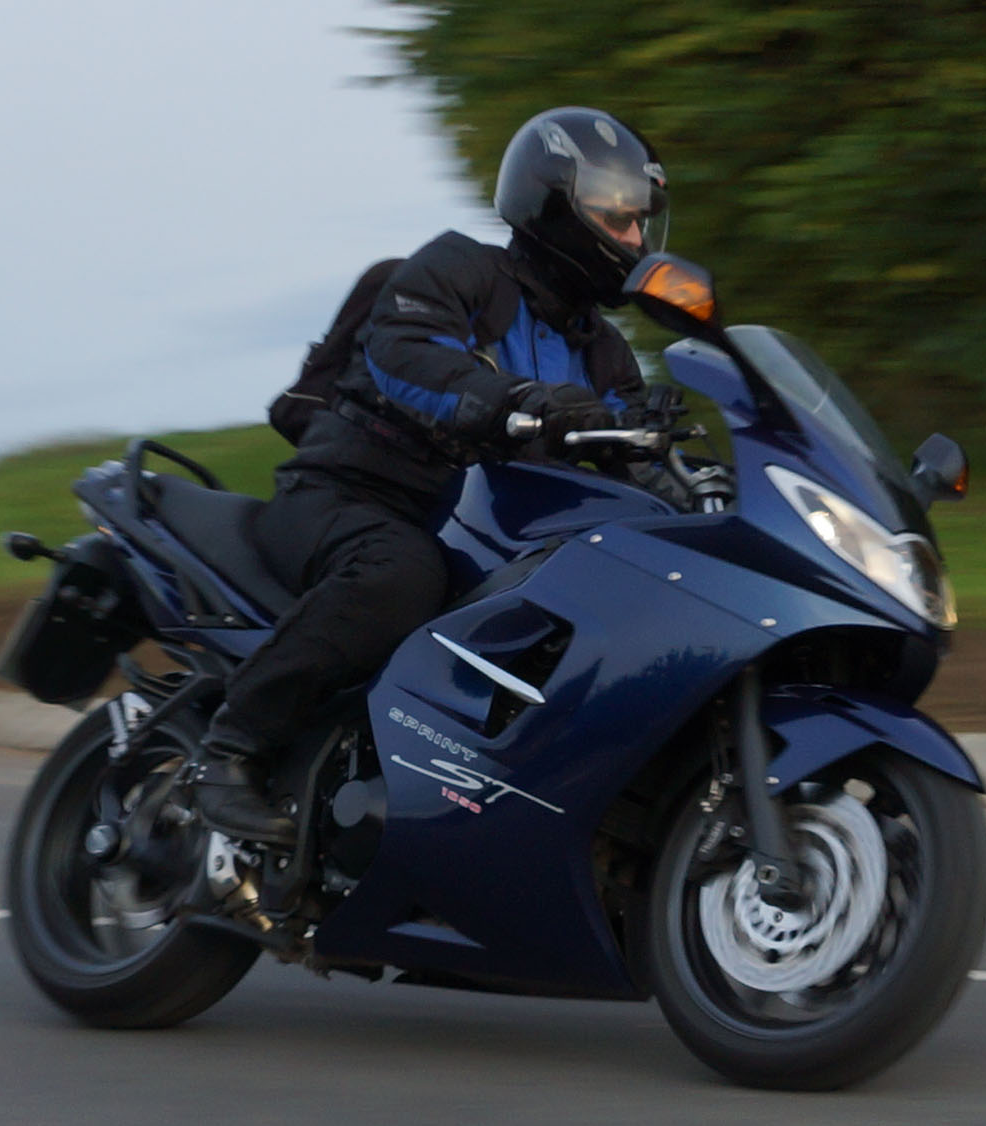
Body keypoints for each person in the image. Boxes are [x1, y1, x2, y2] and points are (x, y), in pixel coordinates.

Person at [192, 106, 671, 841]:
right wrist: (518, 400)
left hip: (478, 531)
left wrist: (693, 484)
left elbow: (634, 465)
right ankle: (230, 750)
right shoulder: (460, 269)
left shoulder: (605, 353)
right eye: (618, 217)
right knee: (399, 576)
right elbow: (403, 354)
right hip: (353, 494)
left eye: (641, 221)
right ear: (554, 203)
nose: (635, 239)